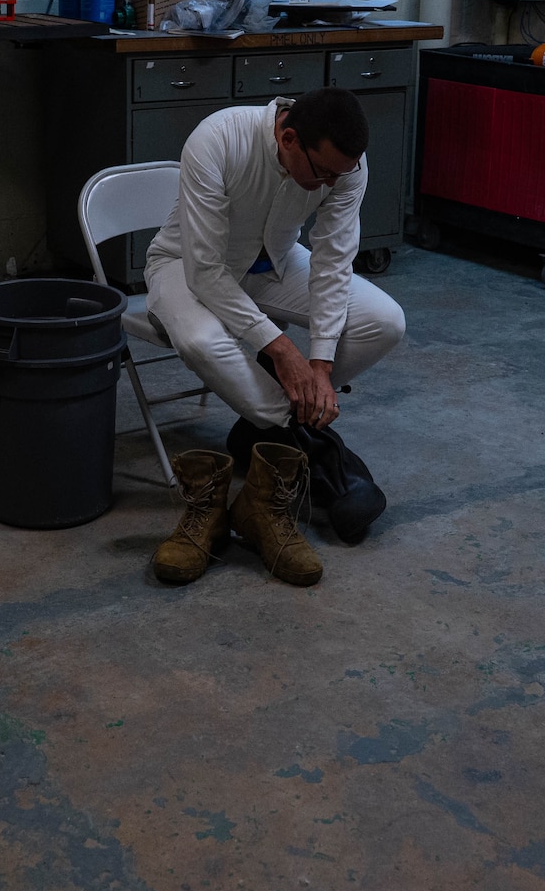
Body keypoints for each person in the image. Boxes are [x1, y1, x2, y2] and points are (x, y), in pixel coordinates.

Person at [142, 87, 406, 588]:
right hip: (186, 266)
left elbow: (332, 263)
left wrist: (321, 364)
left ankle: (264, 429)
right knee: (202, 341)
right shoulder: (218, 139)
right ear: (287, 138)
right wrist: (281, 349)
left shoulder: (346, 166)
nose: (333, 182)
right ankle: (298, 455)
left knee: (384, 320)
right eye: (324, 173)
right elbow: (204, 271)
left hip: (274, 267)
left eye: (341, 174)